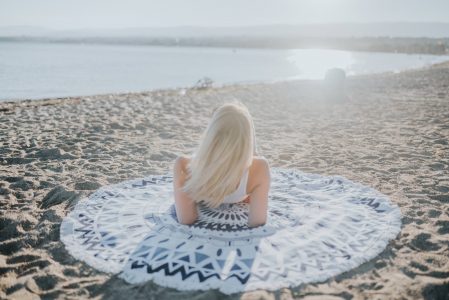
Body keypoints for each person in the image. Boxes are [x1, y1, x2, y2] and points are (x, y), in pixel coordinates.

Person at [173, 102, 271, 228]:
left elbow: (186, 219)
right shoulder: (259, 168)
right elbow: (257, 223)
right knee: (243, 122)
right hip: (245, 177)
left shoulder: (183, 165)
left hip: (202, 173)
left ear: (210, 133)